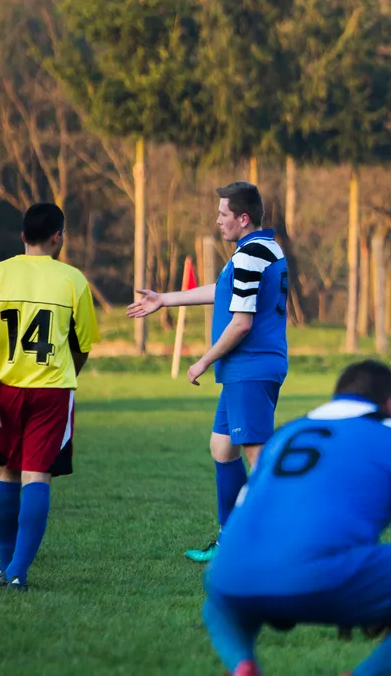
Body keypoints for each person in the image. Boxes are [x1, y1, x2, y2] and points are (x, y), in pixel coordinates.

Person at [201, 360, 391, 676]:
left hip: (230, 573)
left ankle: (241, 663)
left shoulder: (284, 435)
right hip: (323, 573)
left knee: (221, 586)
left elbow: (245, 512)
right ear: (390, 402)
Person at [126, 182, 289, 562]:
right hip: (246, 368)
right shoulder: (263, 247)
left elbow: (241, 322)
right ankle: (233, 537)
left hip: (250, 367)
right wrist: (165, 300)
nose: (217, 221)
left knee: (258, 457)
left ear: (242, 218)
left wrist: (204, 359)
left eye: (223, 215)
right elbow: (224, 289)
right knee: (221, 447)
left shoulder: (250, 256)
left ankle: (278, 543)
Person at [0, 202, 100, 590]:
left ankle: (3, 563)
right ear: (58, 237)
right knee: (37, 474)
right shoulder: (72, 280)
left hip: (6, 389)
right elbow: (84, 344)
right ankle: (17, 573)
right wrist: (66, 372)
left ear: (23, 235)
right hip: (52, 391)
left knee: (6, 470)